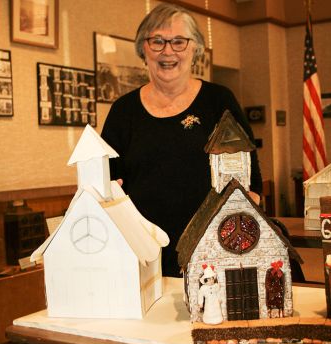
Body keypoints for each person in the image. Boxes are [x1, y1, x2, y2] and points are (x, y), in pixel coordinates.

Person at [101, 3, 262, 277]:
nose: (168, 51)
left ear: (195, 48)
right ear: (143, 50)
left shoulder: (219, 101)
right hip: (143, 258)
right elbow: (108, 185)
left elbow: (251, 181)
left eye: (178, 41)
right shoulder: (122, 111)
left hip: (214, 254)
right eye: (157, 41)